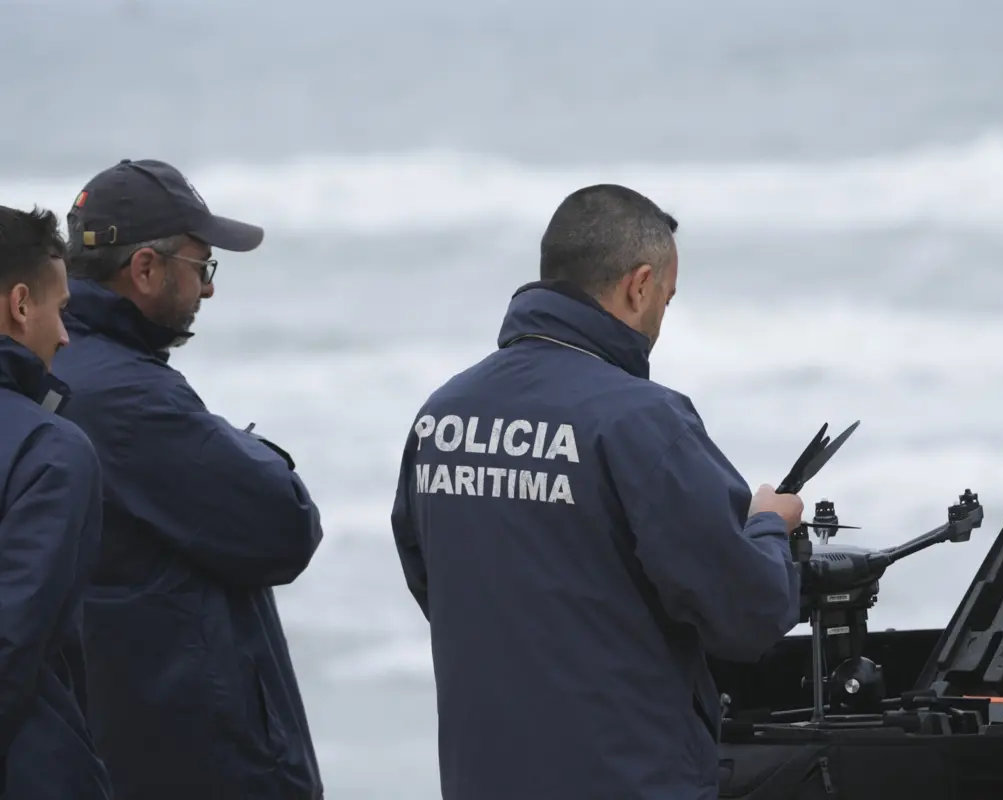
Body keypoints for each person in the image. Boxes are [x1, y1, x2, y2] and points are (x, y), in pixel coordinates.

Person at [391, 183, 806, 800]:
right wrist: (768, 525)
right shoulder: (641, 420)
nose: (662, 318)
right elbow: (746, 614)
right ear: (639, 286)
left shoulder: (443, 417)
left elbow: (437, 581)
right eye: (666, 298)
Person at [52, 159, 326, 800]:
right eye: (201, 268)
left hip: (111, 746)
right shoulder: (128, 399)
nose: (207, 291)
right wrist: (252, 449)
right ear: (146, 269)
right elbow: (285, 525)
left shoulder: (61, 368)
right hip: (194, 760)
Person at [0, 205, 112, 798]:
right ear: (21, 305)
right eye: (61, 310)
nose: (66, 335)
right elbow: (12, 641)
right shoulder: (50, 450)